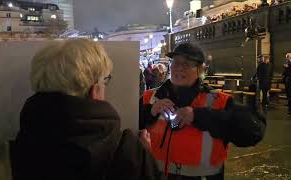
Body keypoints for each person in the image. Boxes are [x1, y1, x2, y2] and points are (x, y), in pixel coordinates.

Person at [13, 39, 162, 180]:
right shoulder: (127, 151)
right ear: (95, 90)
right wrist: (146, 158)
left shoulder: (23, 143)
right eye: (104, 80)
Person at [139, 43, 266, 180]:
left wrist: (199, 115)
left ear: (200, 70)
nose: (180, 68)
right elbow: (127, 129)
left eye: (187, 64)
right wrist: (149, 112)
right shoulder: (149, 97)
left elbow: (254, 132)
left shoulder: (218, 101)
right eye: (176, 62)